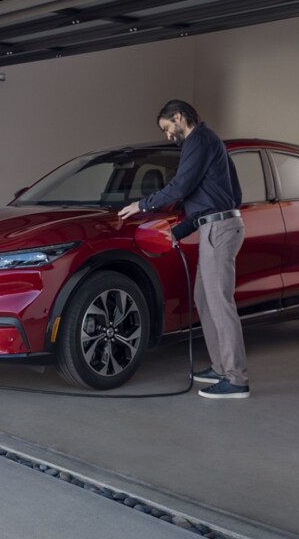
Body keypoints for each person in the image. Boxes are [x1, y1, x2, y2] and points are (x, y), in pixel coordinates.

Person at [119, 99, 248, 399]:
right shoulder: (210, 141)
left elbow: (180, 186)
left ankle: (236, 379)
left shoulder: (198, 139)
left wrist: (142, 204)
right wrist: (177, 232)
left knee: (220, 304)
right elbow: (228, 195)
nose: (168, 135)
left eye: (167, 128)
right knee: (204, 299)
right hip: (215, 227)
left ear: (178, 117)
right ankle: (220, 367)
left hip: (219, 230)